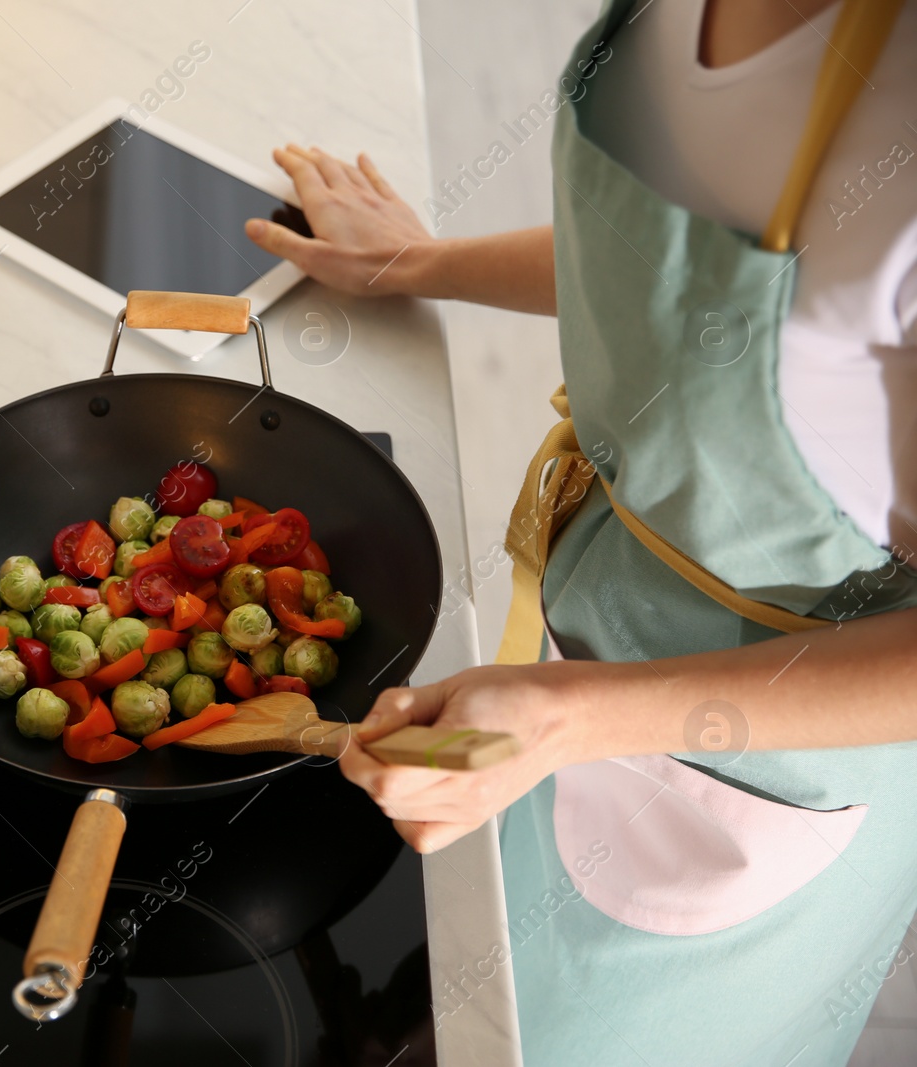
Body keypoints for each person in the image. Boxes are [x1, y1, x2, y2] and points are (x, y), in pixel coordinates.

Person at [244, 0, 917, 1063]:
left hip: (763, 760)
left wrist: (570, 718)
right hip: (575, 646)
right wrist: (422, 263)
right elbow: (688, 284)